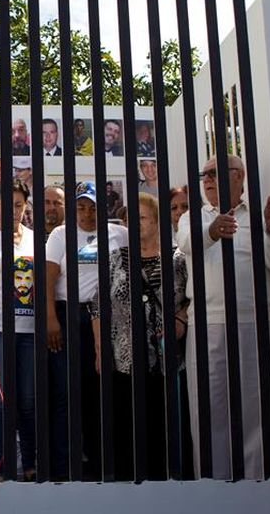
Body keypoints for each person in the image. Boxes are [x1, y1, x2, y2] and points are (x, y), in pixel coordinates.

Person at [177, 154, 270, 480]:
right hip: (208, 321)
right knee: (210, 409)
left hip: (259, 320)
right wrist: (211, 230)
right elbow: (185, 244)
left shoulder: (258, 215)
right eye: (204, 175)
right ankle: (215, 488)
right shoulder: (191, 217)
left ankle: (257, 487)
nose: (208, 180)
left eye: (216, 173)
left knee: (260, 407)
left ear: (238, 176)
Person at [92, 192, 189, 480]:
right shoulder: (113, 260)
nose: (133, 223)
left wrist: (181, 320)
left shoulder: (178, 259)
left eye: (141, 218)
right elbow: (98, 306)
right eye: (127, 218)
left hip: (166, 360)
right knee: (125, 428)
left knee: (164, 428)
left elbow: (191, 299)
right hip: (124, 360)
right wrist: (100, 350)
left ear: (157, 222)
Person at [45, 180, 129, 480]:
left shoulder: (118, 233)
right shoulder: (60, 234)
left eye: (92, 207)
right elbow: (48, 278)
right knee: (67, 391)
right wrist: (51, 319)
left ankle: (98, 464)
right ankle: (63, 466)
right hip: (68, 315)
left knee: (101, 390)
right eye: (80, 207)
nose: (86, 213)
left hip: (106, 318)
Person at [0, 179, 37, 481]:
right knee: (3, 398)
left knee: (28, 399)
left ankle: (30, 463)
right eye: (8, 204)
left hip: (30, 330)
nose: (14, 211)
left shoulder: (34, 239)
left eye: (19, 205)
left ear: (25, 206)